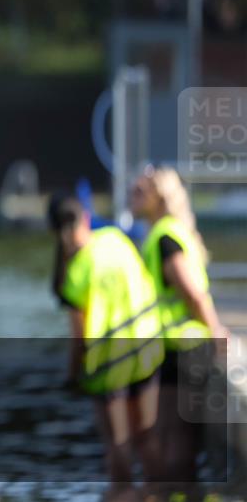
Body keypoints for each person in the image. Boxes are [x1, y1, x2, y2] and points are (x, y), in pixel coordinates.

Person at [49, 194, 164, 502]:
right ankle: (159, 494)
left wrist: (72, 376)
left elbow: (79, 336)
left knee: (118, 441)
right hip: (147, 351)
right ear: (86, 218)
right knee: (147, 435)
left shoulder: (76, 271)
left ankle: (122, 494)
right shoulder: (115, 239)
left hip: (109, 366)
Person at [130, 165, 228, 490]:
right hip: (179, 349)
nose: (132, 195)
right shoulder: (166, 232)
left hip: (184, 350)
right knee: (174, 439)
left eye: (140, 191)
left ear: (159, 199)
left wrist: (217, 331)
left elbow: (192, 293)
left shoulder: (164, 238)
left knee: (176, 441)